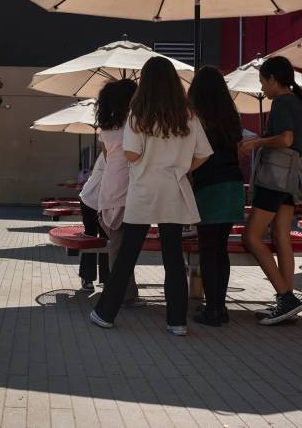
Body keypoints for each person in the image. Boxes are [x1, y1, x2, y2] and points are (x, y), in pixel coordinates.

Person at [90, 57, 212, 336]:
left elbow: (131, 154)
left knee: (127, 255)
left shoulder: (138, 114)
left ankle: (105, 313)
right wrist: (180, 167)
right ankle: (177, 321)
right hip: (174, 189)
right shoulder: (188, 116)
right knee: (173, 256)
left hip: (144, 190)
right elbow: (203, 154)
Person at [240, 55, 302, 325]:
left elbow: (286, 139)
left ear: (273, 79)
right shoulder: (299, 104)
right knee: (282, 237)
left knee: (251, 236)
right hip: (289, 179)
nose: (262, 88)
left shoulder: (283, 102)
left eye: (263, 82)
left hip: (273, 178)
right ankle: (287, 302)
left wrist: (256, 143)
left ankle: (285, 297)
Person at [187, 66, 245, 327]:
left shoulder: (195, 118)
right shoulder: (231, 117)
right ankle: (219, 308)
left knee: (207, 250)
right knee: (220, 249)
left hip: (209, 187)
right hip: (233, 186)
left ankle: (212, 311)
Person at [95, 79, 142, 308]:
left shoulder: (105, 129)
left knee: (118, 244)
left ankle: (127, 292)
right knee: (120, 246)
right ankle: (120, 294)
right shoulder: (135, 125)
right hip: (127, 188)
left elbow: (106, 157)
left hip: (109, 188)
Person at [77, 154, 110, 291]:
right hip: (90, 201)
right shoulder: (109, 154)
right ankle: (87, 277)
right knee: (91, 237)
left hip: (104, 203)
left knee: (106, 240)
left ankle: (106, 278)